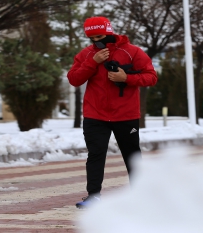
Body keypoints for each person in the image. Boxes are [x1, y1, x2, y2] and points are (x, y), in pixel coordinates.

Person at [67, 17, 157, 208]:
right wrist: (92, 62)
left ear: (109, 32)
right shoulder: (86, 54)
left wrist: (127, 78)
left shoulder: (132, 52)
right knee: (95, 154)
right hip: (95, 115)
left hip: (126, 114)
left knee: (132, 154)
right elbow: (74, 79)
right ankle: (93, 196)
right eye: (91, 38)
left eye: (99, 36)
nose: (96, 41)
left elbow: (151, 77)